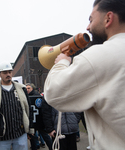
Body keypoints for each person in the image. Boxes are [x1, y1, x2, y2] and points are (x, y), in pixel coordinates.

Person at [44, 0, 125, 149]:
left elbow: (53, 93)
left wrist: (62, 62)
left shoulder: (98, 55)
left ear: (108, 18)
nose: (88, 27)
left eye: (91, 20)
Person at [0, 61, 34, 150]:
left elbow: (28, 110)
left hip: (20, 135)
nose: (8, 74)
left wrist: (30, 128)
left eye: (9, 72)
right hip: (2, 138)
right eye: (5, 72)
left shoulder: (21, 89)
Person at [26, 83, 52, 150]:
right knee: (33, 139)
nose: (27, 90)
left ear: (32, 88)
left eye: (28, 88)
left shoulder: (37, 96)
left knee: (46, 136)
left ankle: (52, 148)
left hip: (39, 120)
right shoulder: (25, 96)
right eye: (26, 88)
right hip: (32, 122)